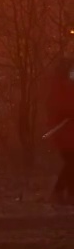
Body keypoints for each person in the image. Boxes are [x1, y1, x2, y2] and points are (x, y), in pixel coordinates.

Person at [47, 56, 74, 204]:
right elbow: (60, 108)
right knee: (71, 163)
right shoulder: (63, 87)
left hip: (69, 132)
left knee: (72, 163)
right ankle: (59, 193)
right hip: (65, 133)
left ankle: (69, 194)